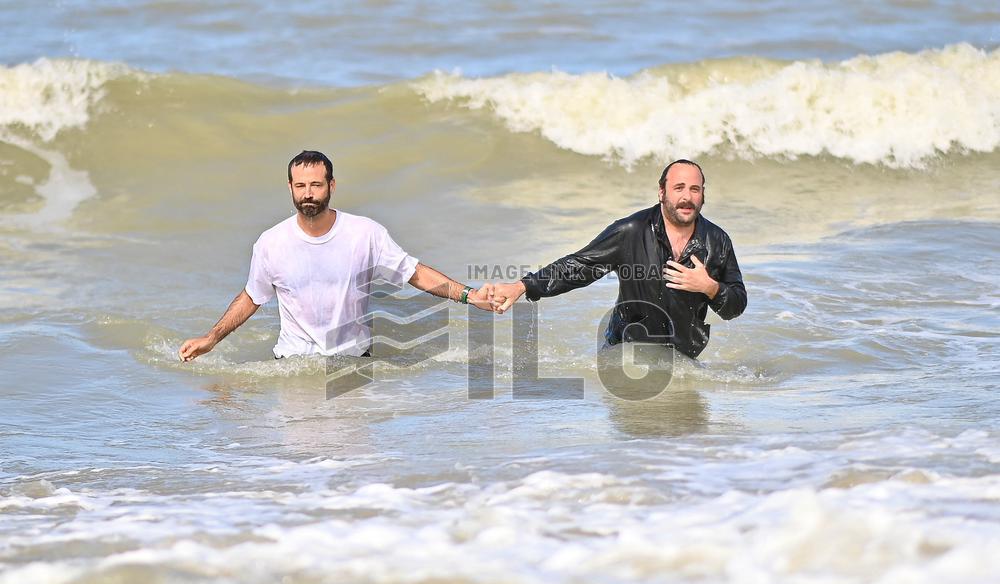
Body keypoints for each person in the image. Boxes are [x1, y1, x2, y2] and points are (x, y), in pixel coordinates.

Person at [178, 150, 492, 361]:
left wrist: (470, 295)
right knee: (296, 456)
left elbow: (414, 273)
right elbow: (252, 296)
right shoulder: (271, 242)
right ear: (290, 187)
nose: (308, 193)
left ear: (332, 185)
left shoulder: (365, 234)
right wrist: (212, 337)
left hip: (353, 362)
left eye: (316, 184)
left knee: (350, 455)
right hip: (293, 364)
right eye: (300, 185)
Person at [483, 160, 746, 358]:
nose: (687, 197)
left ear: (703, 194)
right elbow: (579, 266)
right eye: (678, 188)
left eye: (695, 189)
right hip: (626, 356)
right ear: (662, 192)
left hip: (683, 360)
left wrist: (710, 287)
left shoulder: (717, 241)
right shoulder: (630, 231)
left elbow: (736, 306)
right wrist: (523, 286)